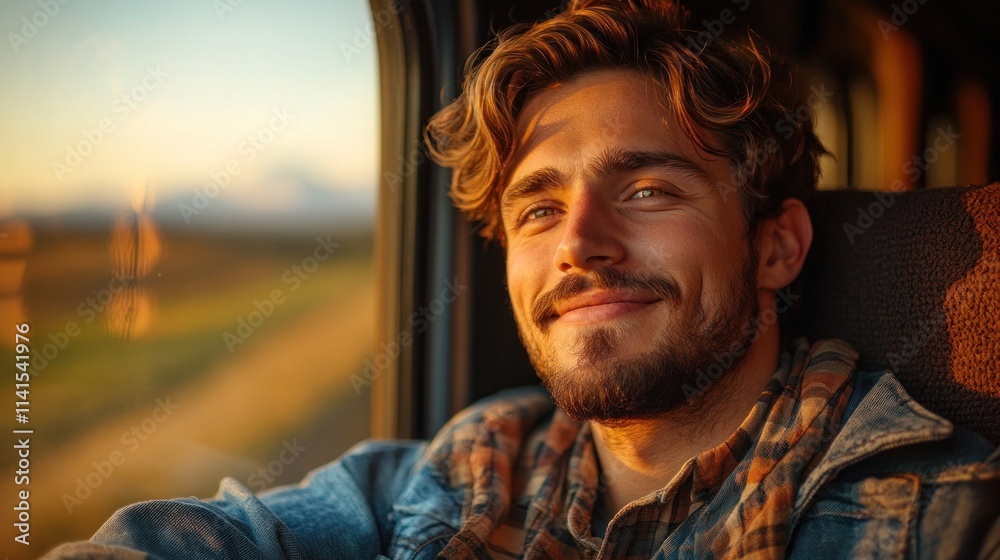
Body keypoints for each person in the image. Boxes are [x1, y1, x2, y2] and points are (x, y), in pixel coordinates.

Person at [46, 0, 999, 558]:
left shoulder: (939, 512)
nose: (580, 242)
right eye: (537, 209)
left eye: (651, 188)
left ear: (776, 248)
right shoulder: (456, 476)